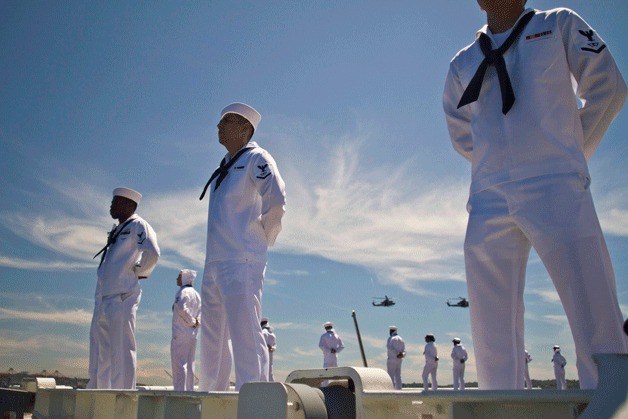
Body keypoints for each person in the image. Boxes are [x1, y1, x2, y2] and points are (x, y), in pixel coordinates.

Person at [443, 0, 627, 390]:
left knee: (593, 309)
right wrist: (497, 165)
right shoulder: (462, 63)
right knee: (491, 324)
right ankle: (499, 408)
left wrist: (567, 152)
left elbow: (608, 86)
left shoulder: (557, 25)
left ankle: (611, 400)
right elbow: (462, 132)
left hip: (555, 181)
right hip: (488, 194)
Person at [198, 103, 286, 392]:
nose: (219, 126)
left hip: (241, 259)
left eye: (227, 121)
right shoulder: (225, 165)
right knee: (212, 340)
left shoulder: (255, 159)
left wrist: (263, 238)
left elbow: (276, 199)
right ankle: (213, 399)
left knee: (246, 335)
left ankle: (255, 402)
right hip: (215, 263)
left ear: (245, 129)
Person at [90, 187, 160, 389]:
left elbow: (152, 252)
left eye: (116, 202)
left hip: (122, 296)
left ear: (130, 205)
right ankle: (101, 395)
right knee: (102, 352)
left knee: (121, 349)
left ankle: (122, 396)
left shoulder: (138, 225)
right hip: (104, 296)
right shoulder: (117, 229)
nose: (111, 205)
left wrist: (138, 272)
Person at [171, 269, 201, 391]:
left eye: (179, 276)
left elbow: (180, 308)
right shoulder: (197, 294)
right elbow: (200, 312)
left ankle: (179, 393)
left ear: (184, 278)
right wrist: (196, 322)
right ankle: (189, 391)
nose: (177, 279)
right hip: (193, 334)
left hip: (181, 332)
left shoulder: (183, 292)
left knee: (179, 364)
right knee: (190, 364)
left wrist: (192, 321)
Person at [386, 326, 405, 390]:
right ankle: (399, 390)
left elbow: (389, 348)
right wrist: (402, 354)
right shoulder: (401, 339)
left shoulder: (391, 338)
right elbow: (404, 350)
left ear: (391, 331)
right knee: (398, 376)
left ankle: (391, 390)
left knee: (390, 376)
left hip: (392, 359)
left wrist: (397, 354)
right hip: (399, 360)